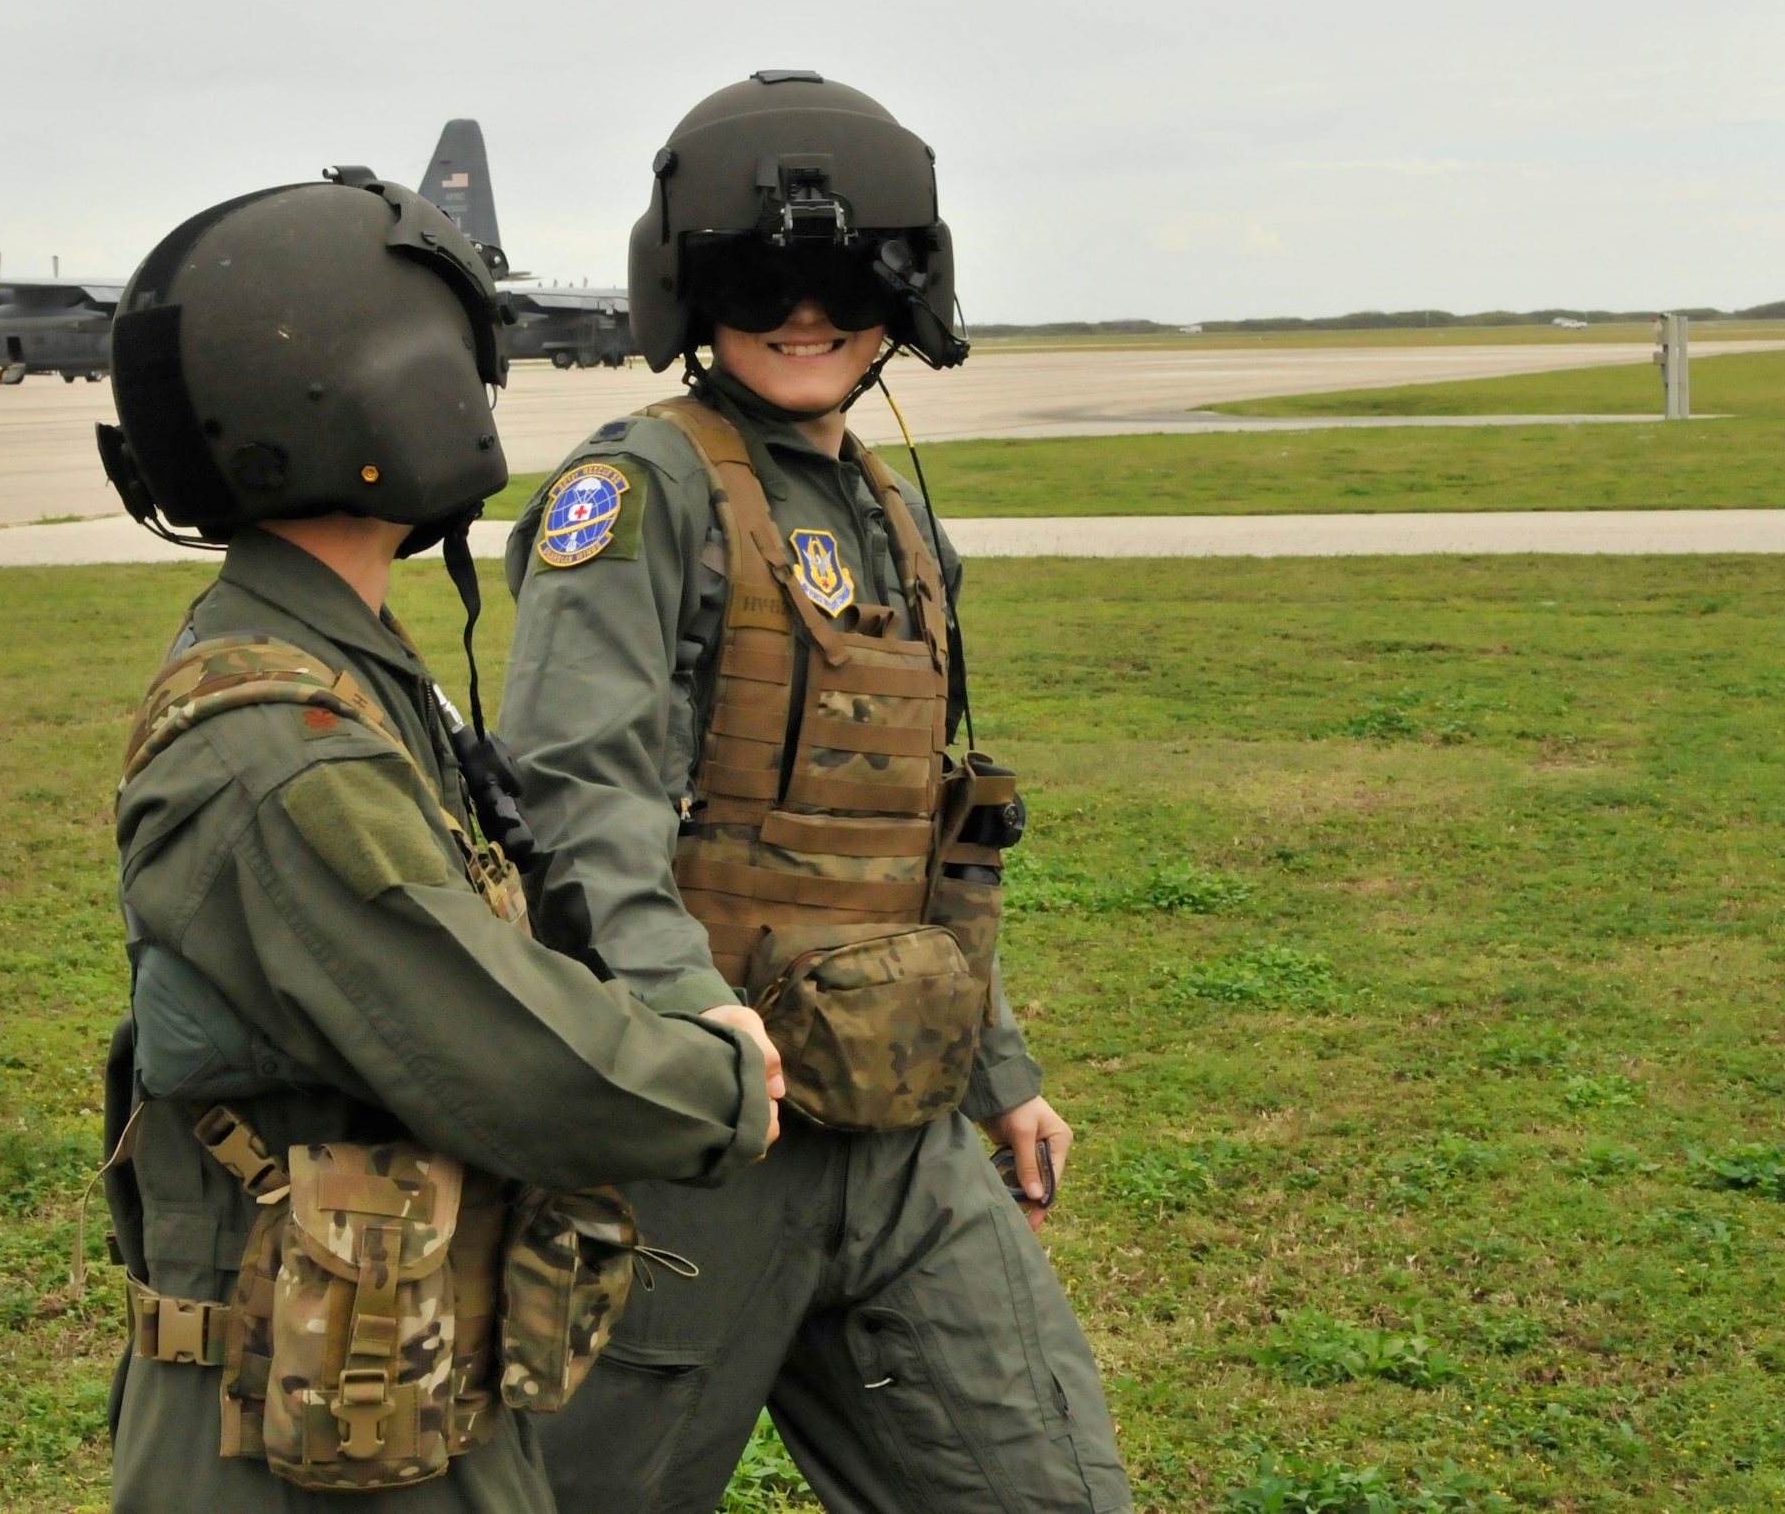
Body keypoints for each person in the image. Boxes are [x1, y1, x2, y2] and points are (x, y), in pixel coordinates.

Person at [92, 169, 783, 1513]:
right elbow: (504, 1054)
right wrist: (722, 1082)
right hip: (289, 1440)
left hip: (379, 1384)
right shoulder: (280, 742)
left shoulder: (344, 670)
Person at [499, 74, 1133, 1514]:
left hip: (900, 1124)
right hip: (704, 1128)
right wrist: (683, 1004)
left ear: (907, 290)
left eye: (847, 277)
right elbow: (571, 788)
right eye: (762, 279)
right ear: (689, 291)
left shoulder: (896, 515)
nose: (806, 313)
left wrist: (997, 1069)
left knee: (1045, 1483)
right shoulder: (641, 490)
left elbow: (917, 833)